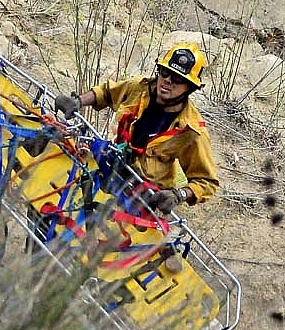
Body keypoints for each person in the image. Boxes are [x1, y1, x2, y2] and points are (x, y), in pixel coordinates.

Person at [55, 43, 219, 214]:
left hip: (142, 198)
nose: (168, 80)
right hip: (111, 167)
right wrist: (78, 101)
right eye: (165, 72)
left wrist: (179, 195)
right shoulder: (140, 88)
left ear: (190, 87)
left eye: (178, 78)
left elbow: (207, 182)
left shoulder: (191, 130)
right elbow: (107, 92)